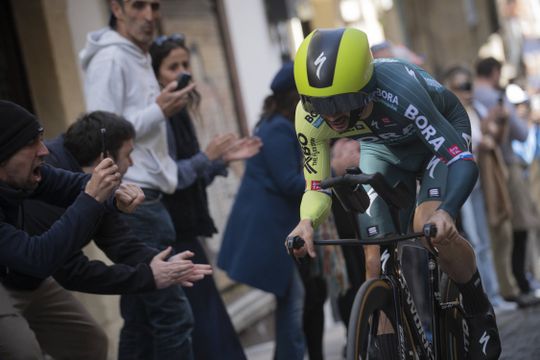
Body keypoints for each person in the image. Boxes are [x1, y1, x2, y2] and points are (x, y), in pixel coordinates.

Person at [288, 28, 501, 359]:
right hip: (383, 147)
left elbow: (461, 160)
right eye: (320, 105)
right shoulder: (309, 117)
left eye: (341, 102)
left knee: (428, 224)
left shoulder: (398, 90)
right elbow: (315, 186)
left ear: (365, 87)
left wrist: (447, 210)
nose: (331, 115)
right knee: (374, 257)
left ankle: (478, 309)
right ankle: (387, 346)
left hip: (438, 141)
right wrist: (305, 223)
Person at [80, 0, 197, 358]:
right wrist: (157, 111)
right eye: (138, 5)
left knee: (141, 319)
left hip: (149, 198)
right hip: (136, 200)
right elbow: (101, 134)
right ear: (116, 8)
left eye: (155, 5)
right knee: (173, 317)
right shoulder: (111, 58)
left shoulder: (137, 55)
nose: (149, 16)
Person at [0, 100, 142, 359]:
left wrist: (115, 196)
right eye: (31, 143)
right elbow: (39, 258)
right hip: (21, 272)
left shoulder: (29, 175)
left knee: (87, 342)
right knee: (22, 352)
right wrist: (92, 199)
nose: (43, 151)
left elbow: (72, 184)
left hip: (21, 276)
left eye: (41, 140)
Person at [148, 34, 261, 359]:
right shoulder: (158, 121)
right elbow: (169, 179)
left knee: (206, 323)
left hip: (186, 229)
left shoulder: (181, 114)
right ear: (156, 75)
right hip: (168, 235)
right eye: (173, 67)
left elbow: (192, 177)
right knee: (198, 327)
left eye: (186, 64)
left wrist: (223, 159)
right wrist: (208, 158)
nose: (183, 73)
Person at [219, 62, 306, 360]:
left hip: (274, 225)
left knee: (290, 300)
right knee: (293, 302)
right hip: (269, 228)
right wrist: (328, 173)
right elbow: (289, 182)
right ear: (293, 96)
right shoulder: (277, 129)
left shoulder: (276, 125)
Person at [443, 65, 517, 312]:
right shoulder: (449, 114)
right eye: (462, 87)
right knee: (476, 242)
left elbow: (495, 137)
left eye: (469, 85)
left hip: (482, 182)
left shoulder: (474, 110)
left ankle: (494, 295)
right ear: (450, 89)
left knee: (487, 240)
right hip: (463, 187)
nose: (468, 91)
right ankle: (487, 299)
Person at [473, 57, 540, 307]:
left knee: (501, 231)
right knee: (513, 227)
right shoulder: (493, 96)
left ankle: (513, 284)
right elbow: (521, 133)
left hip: (493, 167)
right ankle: (515, 284)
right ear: (495, 72)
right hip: (503, 166)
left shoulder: (478, 97)